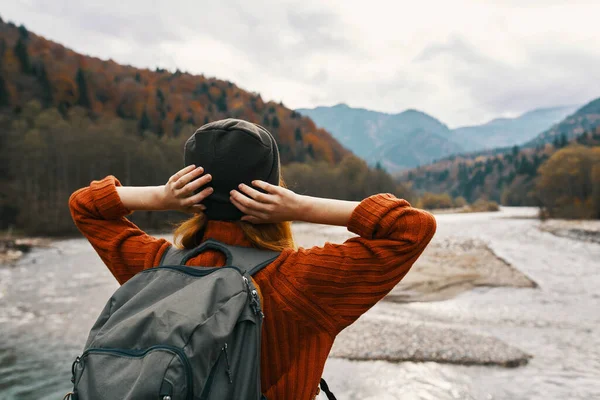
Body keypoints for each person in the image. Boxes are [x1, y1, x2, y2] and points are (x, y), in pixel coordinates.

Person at [69, 118, 436, 400]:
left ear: (189, 186)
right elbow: (412, 227)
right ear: (273, 186)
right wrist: (303, 206)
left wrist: (159, 198)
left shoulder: (155, 265)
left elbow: (84, 206)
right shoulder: (301, 280)